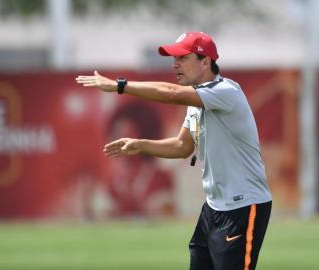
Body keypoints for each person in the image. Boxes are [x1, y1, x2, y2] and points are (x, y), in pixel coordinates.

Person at [76, 31, 272, 270]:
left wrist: (120, 85)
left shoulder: (225, 92)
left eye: (182, 57)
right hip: (213, 208)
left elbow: (170, 94)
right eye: (173, 58)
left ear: (205, 61)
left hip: (243, 207)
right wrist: (140, 145)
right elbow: (182, 147)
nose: (175, 64)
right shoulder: (196, 101)